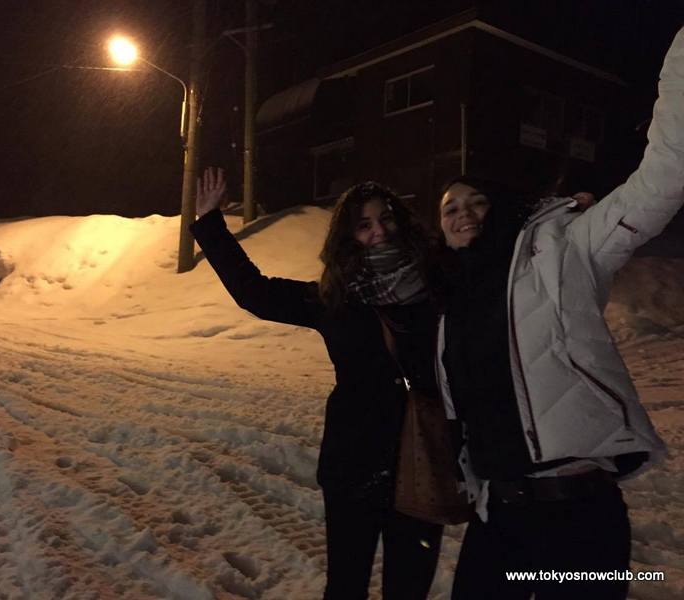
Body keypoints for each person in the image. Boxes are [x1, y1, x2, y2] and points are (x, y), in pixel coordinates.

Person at [435, 27, 684, 600]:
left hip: (579, 516)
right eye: (449, 208)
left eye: (476, 201)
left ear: (501, 209)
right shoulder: (449, 302)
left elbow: (661, 182)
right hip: (498, 515)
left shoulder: (567, 248)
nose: (463, 213)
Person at [191, 171, 444, 599]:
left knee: (409, 591)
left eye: (386, 219)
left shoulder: (439, 291)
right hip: (354, 467)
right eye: (364, 225)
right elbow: (255, 293)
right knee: (345, 588)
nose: (379, 231)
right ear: (349, 237)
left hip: (422, 463)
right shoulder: (336, 300)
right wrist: (210, 223)